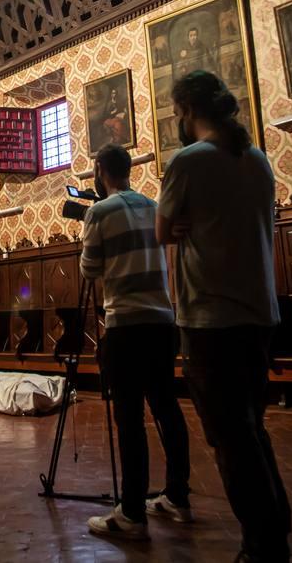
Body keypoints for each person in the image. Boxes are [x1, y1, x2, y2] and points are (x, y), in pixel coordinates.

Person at [156, 71, 292, 563]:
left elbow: (161, 230)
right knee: (251, 425)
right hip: (260, 312)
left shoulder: (188, 161)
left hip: (211, 316)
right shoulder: (257, 159)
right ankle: (276, 524)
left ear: (187, 111)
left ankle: (264, 546)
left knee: (227, 436)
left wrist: (180, 224)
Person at [80, 144, 193, 542]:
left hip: (125, 324)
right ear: (128, 169)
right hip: (163, 320)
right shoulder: (152, 205)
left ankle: (131, 511)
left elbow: (90, 268)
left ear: (99, 171)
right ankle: (177, 496)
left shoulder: (98, 212)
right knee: (167, 408)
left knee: (129, 419)